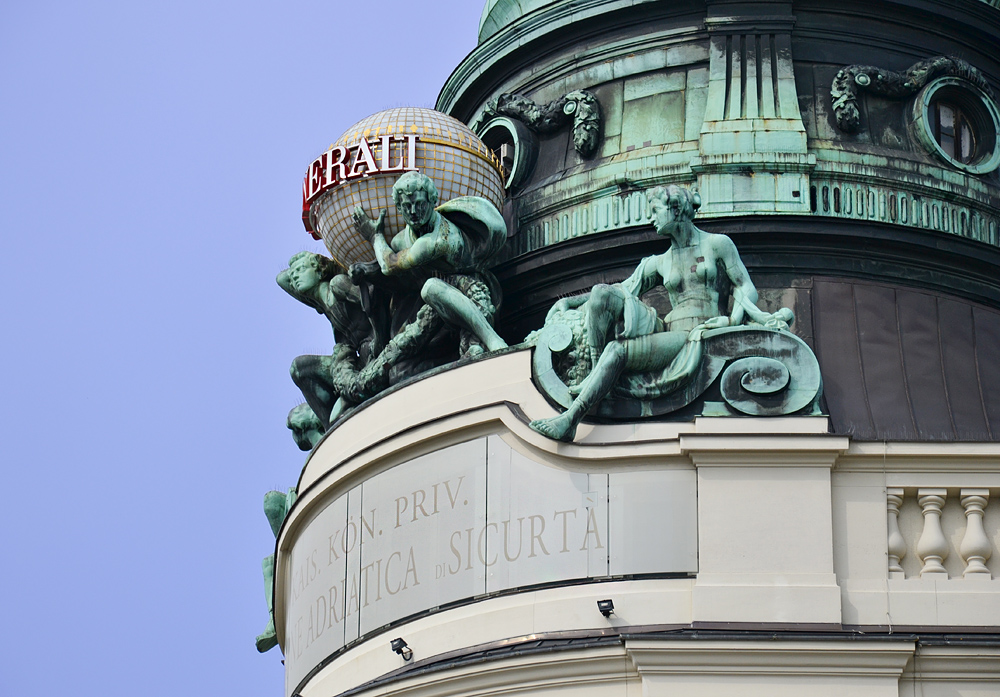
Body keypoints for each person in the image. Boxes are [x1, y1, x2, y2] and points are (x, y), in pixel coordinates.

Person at [529, 185, 786, 442]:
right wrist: (571, 301)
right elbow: (624, 288)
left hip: (697, 331)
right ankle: (594, 377)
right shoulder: (661, 261)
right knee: (601, 293)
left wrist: (731, 320)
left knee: (617, 351)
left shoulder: (717, 244)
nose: (650, 218)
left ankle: (570, 419)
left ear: (675, 209)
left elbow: (745, 287)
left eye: (655, 211)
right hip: (672, 330)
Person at [349, 172, 508, 358]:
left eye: (420, 204)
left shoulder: (442, 238)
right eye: (407, 206)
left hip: (470, 294)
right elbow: (393, 274)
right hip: (430, 306)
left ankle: (493, 340)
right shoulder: (401, 240)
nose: (414, 212)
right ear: (399, 208)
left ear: (432, 201)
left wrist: (374, 236)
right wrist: (365, 270)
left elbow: (389, 265)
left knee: (430, 287)